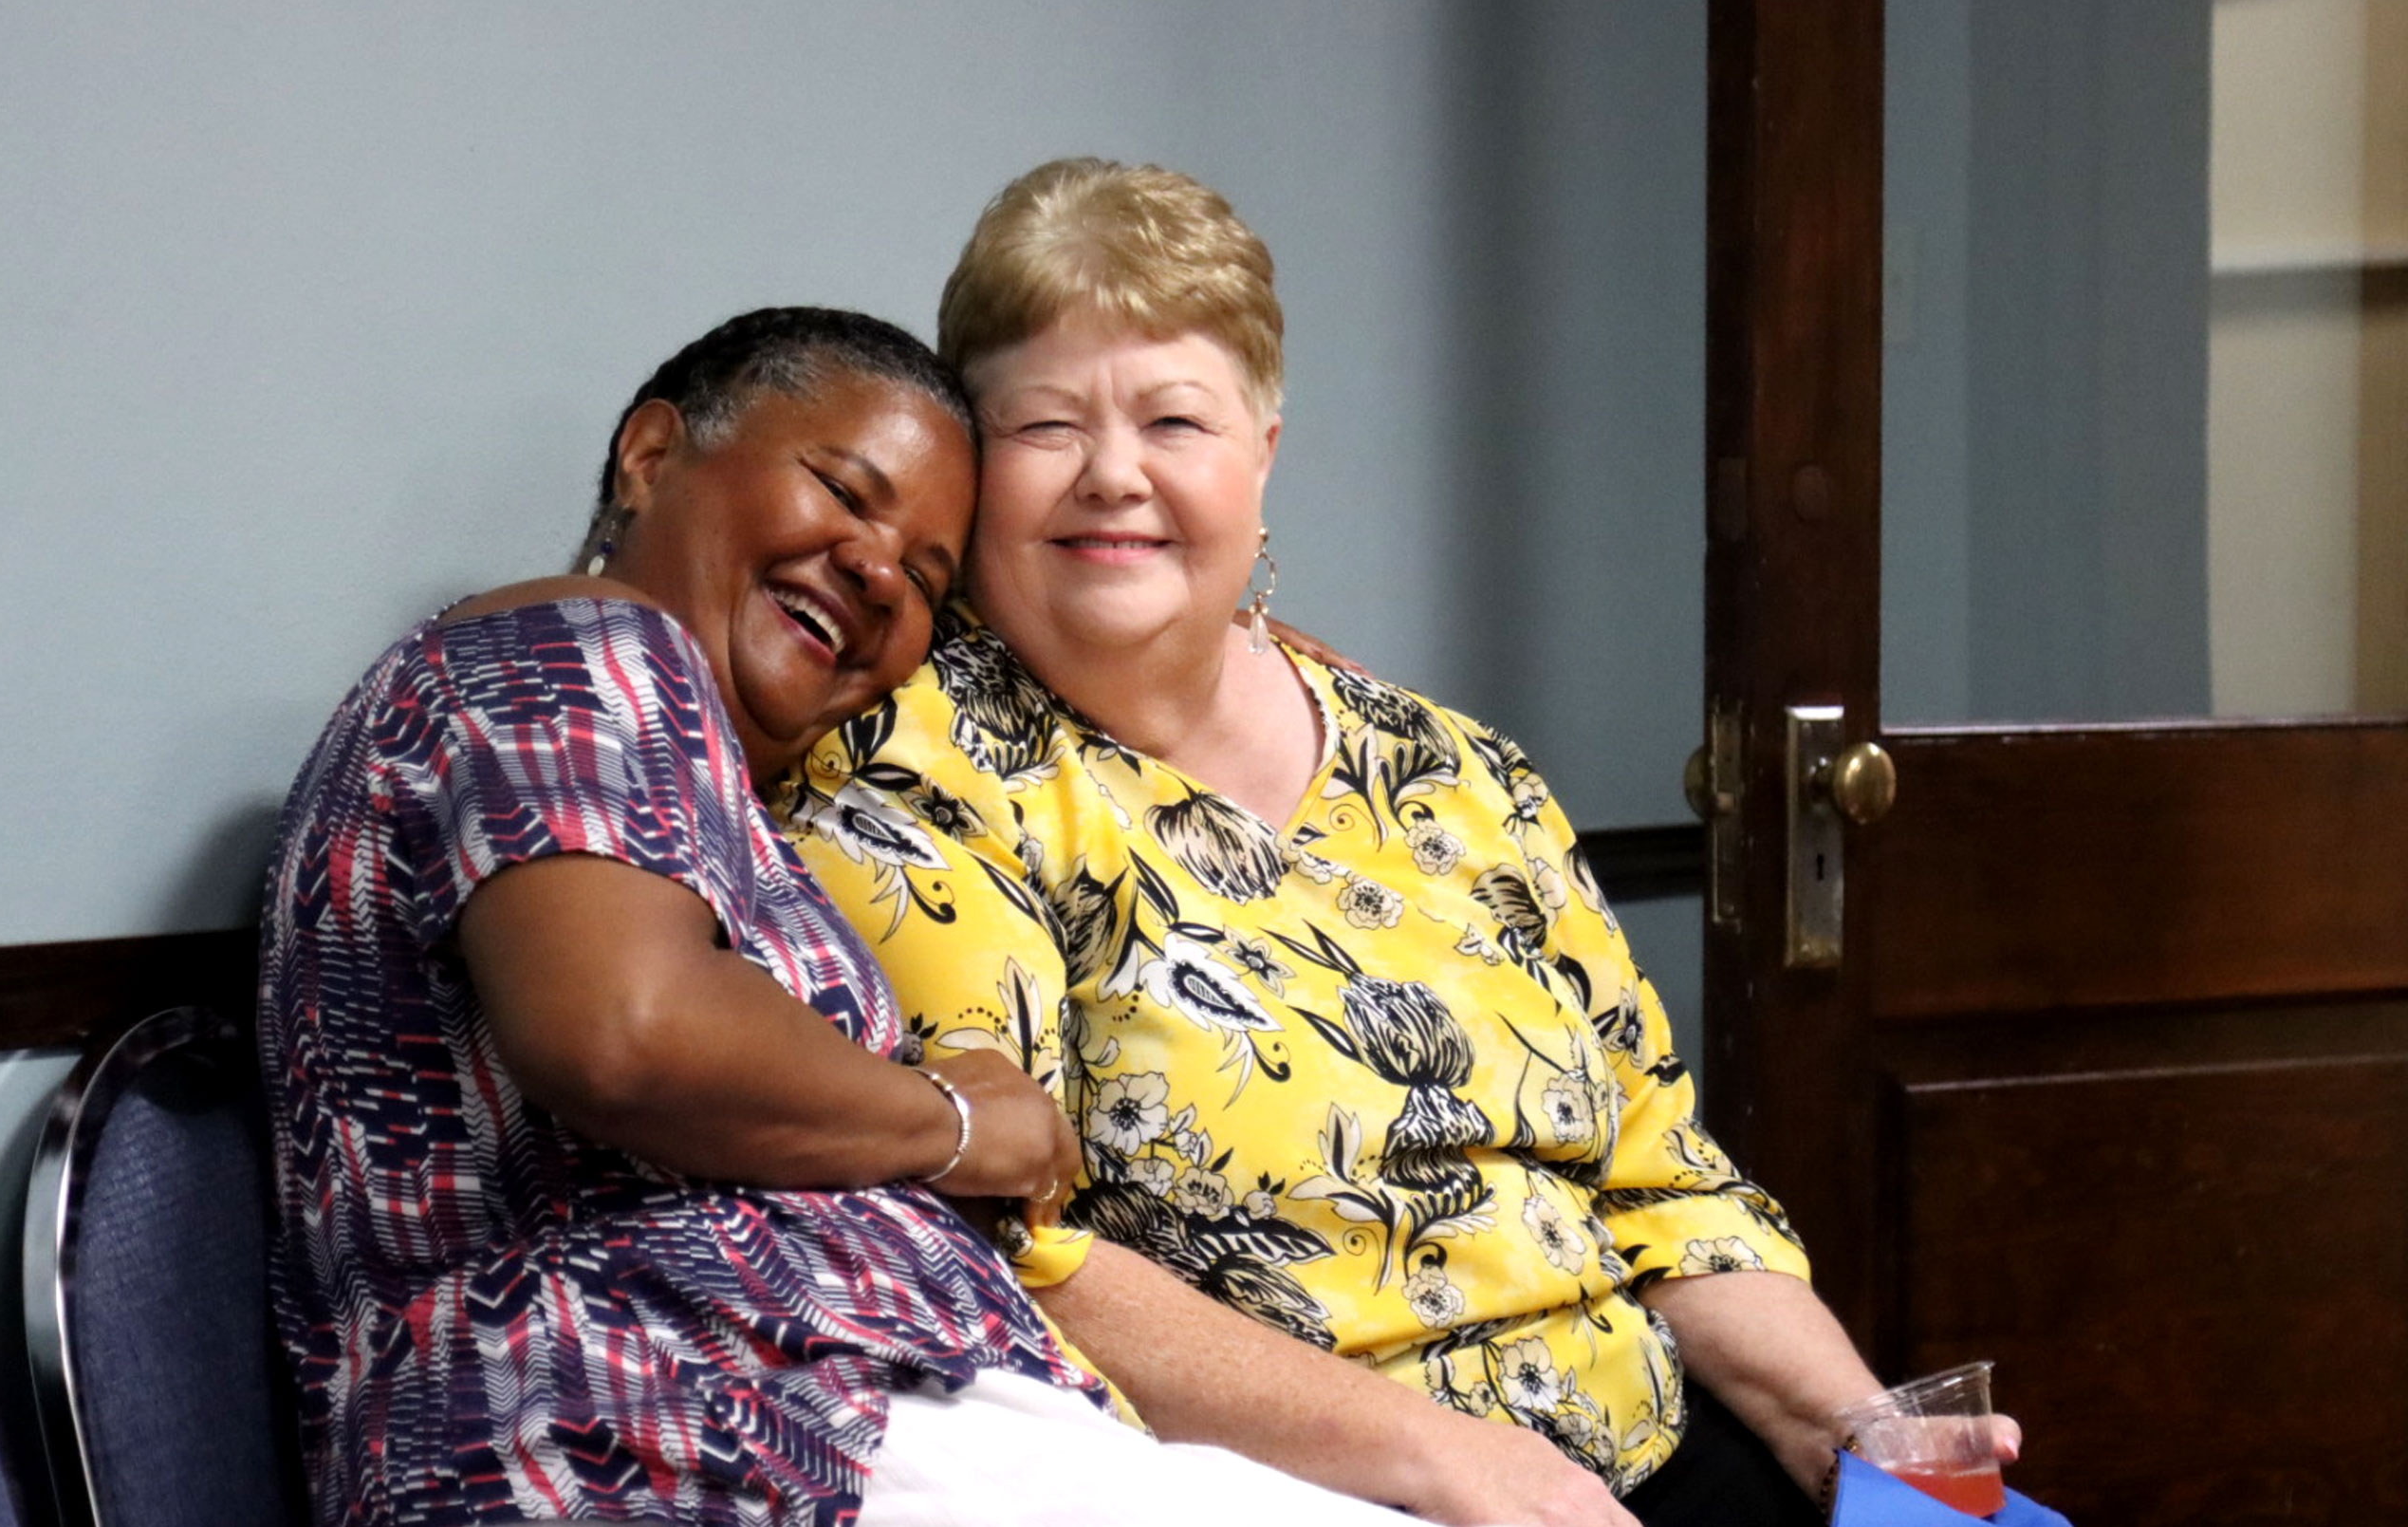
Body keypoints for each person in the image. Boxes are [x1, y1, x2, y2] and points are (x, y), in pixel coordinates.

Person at [784, 162, 2018, 1527]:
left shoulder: (1452, 767)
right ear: (972, 460)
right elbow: (1013, 1247)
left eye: (1174, 417)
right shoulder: (918, 774)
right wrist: (1455, 1461)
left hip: (1646, 1443)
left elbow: (1670, 1190)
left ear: (1262, 450)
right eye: (1046, 424)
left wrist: (1856, 1429)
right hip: (1313, 1487)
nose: (1114, 473)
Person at [257, 306, 1427, 1527]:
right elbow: (627, 1032)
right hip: (660, 1415)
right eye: (842, 492)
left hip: (827, 1423)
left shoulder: (704, 784)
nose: (877, 571)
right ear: (651, 458)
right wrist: (957, 1123)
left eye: (926, 578)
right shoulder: (568, 641)